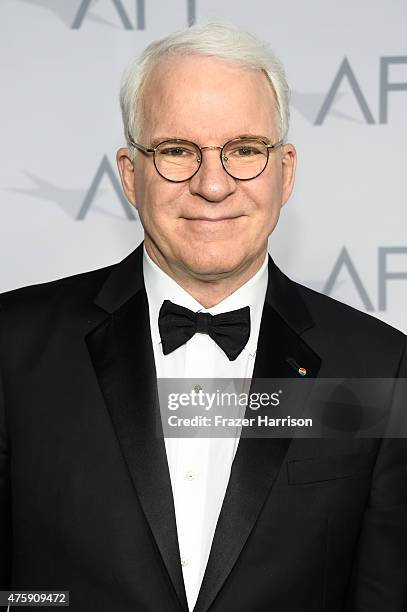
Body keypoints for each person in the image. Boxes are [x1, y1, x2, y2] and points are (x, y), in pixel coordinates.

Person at [0, 21, 406, 612]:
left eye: (244, 150)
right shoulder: (11, 347)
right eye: (175, 151)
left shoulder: (380, 365)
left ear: (285, 170)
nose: (212, 184)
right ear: (130, 174)